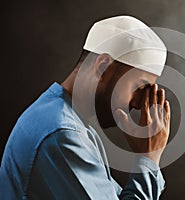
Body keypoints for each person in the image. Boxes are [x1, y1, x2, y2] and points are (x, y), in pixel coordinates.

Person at [0, 15, 170, 199]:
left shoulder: (62, 116)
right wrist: (148, 159)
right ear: (103, 67)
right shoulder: (63, 134)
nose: (138, 103)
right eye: (139, 87)